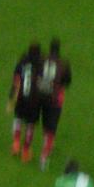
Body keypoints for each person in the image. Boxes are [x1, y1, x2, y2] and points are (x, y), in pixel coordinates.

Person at [38, 38, 72, 171]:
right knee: (51, 128)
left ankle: (47, 145)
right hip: (55, 99)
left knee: (45, 123)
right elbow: (67, 82)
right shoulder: (63, 64)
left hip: (41, 96)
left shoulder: (42, 60)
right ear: (59, 49)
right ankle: (44, 157)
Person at [7, 42, 43, 163]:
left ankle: (16, 144)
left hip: (21, 97)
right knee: (30, 125)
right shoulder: (41, 64)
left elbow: (16, 81)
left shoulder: (21, 62)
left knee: (18, 119)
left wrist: (11, 98)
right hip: (34, 100)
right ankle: (25, 151)